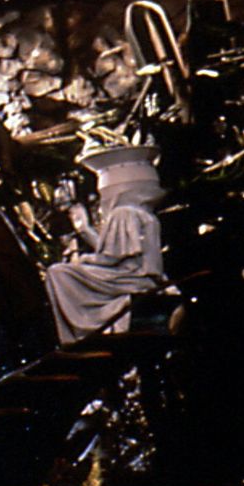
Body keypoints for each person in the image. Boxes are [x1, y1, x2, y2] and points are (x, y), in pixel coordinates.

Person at [46, 145, 167, 345]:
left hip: (126, 279)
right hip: (136, 278)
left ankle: (83, 331)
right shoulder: (144, 214)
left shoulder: (123, 213)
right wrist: (85, 231)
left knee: (58, 273)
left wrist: (84, 259)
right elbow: (121, 253)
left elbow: (110, 258)